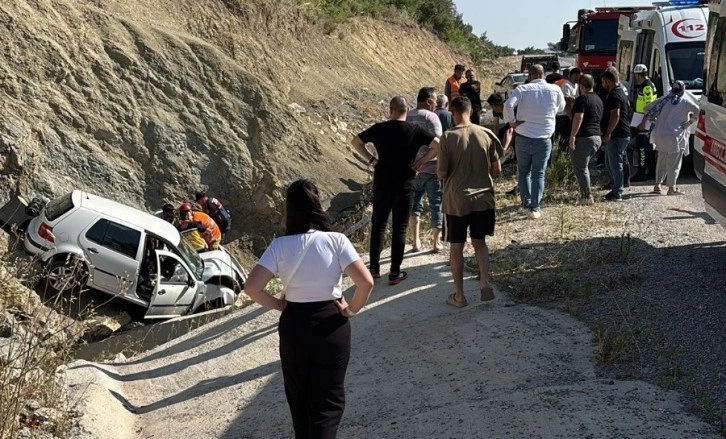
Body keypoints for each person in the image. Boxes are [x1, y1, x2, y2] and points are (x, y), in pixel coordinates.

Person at [243, 179, 374, 439]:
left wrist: (278, 304)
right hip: (331, 322)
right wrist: (350, 310)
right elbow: (366, 282)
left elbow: (251, 287)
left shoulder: (279, 246)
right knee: (328, 402)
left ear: (290, 209)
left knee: (299, 399)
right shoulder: (336, 241)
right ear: (318, 205)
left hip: (294, 322)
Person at [418, 97, 502, 307]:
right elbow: (497, 169)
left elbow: (442, 172)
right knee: (480, 242)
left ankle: (459, 296)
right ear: (471, 111)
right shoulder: (486, 134)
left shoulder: (448, 137)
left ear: (453, 113)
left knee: (456, 247)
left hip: (457, 200)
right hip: (483, 198)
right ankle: (484, 282)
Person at [351, 96, 440, 285]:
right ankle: (394, 272)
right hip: (405, 182)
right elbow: (437, 146)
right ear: (407, 110)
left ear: (390, 110)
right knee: (399, 227)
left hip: (382, 181)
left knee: (378, 224)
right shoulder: (415, 130)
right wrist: (420, 162)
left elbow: (356, 142)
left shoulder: (379, 128)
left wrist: (372, 159)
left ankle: (374, 269)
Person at [504, 64, 565, 219]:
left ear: (529, 75)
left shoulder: (522, 89)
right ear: (543, 74)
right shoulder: (555, 89)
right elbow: (561, 107)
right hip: (544, 138)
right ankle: (535, 208)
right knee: (539, 174)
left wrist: (512, 122)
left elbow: (508, 105)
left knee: (523, 172)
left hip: (523, 136)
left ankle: (526, 204)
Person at [639, 81, 698, 195]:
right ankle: (671, 188)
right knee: (674, 163)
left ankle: (657, 185)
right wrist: (688, 123)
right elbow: (698, 110)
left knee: (661, 160)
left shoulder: (663, 100)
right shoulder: (685, 102)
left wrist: (655, 119)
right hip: (675, 136)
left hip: (660, 135)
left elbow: (647, 108)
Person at [406, 87, 444, 253]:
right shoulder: (431, 117)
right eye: (435, 100)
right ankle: (436, 242)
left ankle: (415, 242)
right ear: (429, 101)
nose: (436, 104)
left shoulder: (407, 116)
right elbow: (438, 143)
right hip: (432, 168)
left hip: (411, 170)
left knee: (414, 205)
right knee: (436, 204)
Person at [568, 74, 603, 206]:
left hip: (584, 137)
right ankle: (585, 193)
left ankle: (586, 196)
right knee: (584, 166)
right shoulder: (598, 99)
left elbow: (579, 117)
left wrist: (573, 136)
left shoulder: (582, 99)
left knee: (581, 167)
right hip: (596, 136)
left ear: (581, 86)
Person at [600, 68, 631, 202]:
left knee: (615, 164)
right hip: (621, 133)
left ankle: (617, 192)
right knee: (610, 162)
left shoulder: (614, 95)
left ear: (608, 81)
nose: (602, 85)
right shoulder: (621, 92)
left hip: (617, 134)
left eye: (603, 82)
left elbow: (615, 115)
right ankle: (615, 187)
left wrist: (608, 132)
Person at [629, 64, 658, 182]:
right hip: (640, 117)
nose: (635, 77)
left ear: (639, 75)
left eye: (636, 75)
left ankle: (641, 173)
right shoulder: (645, 86)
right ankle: (651, 171)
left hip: (644, 120)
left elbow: (649, 107)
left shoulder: (647, 88)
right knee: (648, 147)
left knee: (641, 146)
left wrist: (643, 122)